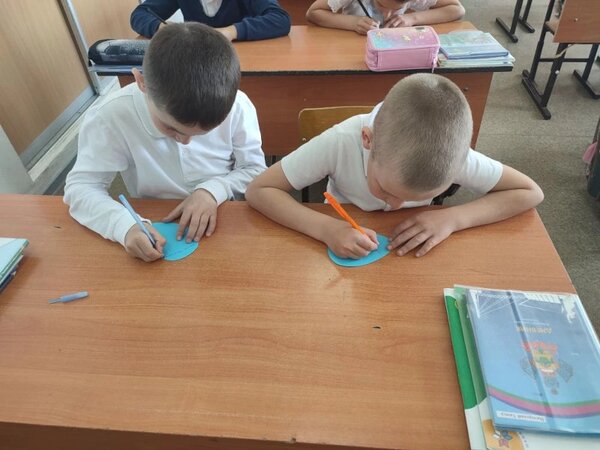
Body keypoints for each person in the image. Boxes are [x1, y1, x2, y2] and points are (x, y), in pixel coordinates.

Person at [246, 74, 544, 259]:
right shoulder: (341, 141)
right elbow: (259, 190)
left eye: (416, 198)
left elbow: (530, 192)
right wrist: (326, 228)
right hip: (342, 238)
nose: (396, 204)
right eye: (386, 190)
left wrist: (454, 218)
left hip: (407, 253)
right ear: (367, 140)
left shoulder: (451, 154)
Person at [64, 23, 266, 262]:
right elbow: (81, 187)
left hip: (226, 216)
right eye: (172, 128)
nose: (186, 142)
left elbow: (254, 170)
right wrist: (123, 226)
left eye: (202, 133)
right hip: (153, 221)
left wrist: (214, 190)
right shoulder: (110, 116)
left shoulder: (238, 106)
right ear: (141, 82)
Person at [131, 0, 291, 41]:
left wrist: (230, 32)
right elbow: (139, 14)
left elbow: (280, 19)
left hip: (240, 60)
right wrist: (160, 27)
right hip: (196, 58)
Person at [306, 0, 464, 35]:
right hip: (351, 46)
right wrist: (353, 23)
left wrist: (412, 18)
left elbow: (457, 9)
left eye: (397, 9)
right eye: (381, 6)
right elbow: (313, 12)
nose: (387, 15)